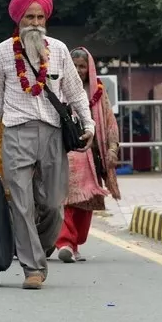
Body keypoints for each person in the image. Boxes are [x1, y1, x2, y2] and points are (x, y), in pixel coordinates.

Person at [0, 0, 93, 290]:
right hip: (16, 133)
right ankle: (32, 267)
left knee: (54, 204)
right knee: (22, 202)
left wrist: (89, 124)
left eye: (40, 17)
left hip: (53, 133)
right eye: (29, 17)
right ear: (18, 19)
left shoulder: (59, 50)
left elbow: (74, 91)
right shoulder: (1, 53)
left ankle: (37, 246)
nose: (35, 23)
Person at [56, 48, 121, 263]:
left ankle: (75, 243)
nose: (78, 70)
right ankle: (65, 242)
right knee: (64, 200)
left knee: (86, 203)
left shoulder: (98, 92)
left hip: (91, 157)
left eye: (82, 66)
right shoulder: (57, 89)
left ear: (89, 68)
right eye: (73, 66)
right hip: (65, 153)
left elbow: (110, 122)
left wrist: (112, 149)